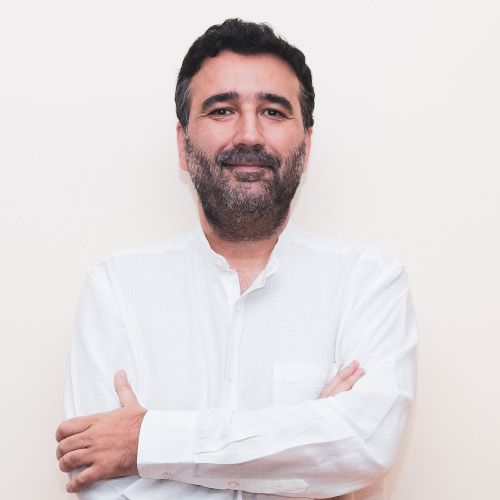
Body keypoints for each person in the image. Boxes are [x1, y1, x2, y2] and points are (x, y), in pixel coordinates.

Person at [55, 18, 417, 500]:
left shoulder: (369, 283)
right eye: (222, 110)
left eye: (273, 111)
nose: (249, 134)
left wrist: (145, 441)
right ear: (183, 145)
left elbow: (367, 445)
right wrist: (307, 448)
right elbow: (98, 481)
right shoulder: (114, 288)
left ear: (306, 145)